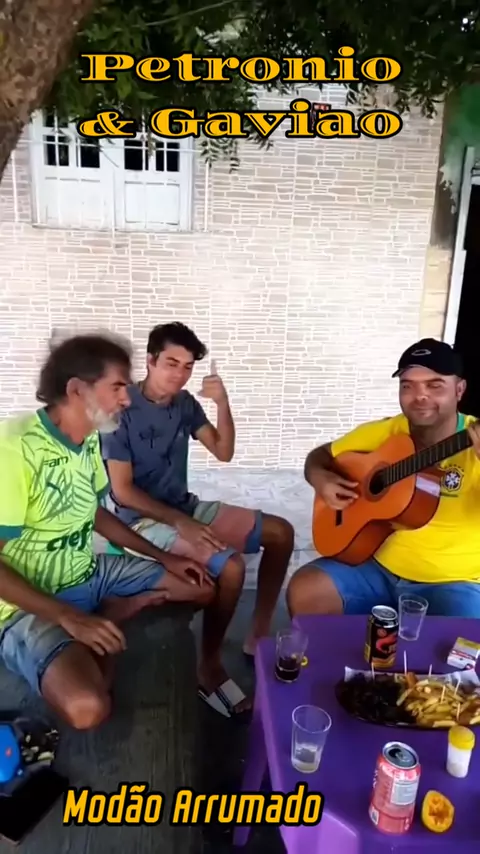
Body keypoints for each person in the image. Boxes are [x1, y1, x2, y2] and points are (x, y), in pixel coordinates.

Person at [0, 333, 215, 730]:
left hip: (87, 573)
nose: (126, 398)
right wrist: (68, 616)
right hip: (27, 605)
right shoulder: (15, 449)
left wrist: (163, 556)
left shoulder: (88, 440)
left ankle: (109, 612)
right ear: (77, 390)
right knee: (88, 708)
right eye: (117, 386)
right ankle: (100, 621)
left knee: (200, 585)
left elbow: (95, 514)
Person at [101, 321, 294, 717]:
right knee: (232, 567)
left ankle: (257, 636)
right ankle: (209, 665)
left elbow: (223, 451)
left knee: (281, 532)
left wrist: (222, 402)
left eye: (187, 366)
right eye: (171, 363)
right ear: (150, 361)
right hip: (139, 522)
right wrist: (180, 523)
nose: (180, 374)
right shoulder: (121, 409)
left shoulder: (185, 404)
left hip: (184, 508)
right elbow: (122, 492)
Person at [287, 338, 480, 619]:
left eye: (435, 385)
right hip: (375, 566)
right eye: (408, 386)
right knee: (306, 591)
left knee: (460, 642)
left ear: (459, 389)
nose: (420, 396)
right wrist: (321, 478)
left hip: (454, 583)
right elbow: (320, 456)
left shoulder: (474, 439)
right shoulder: (385, 432)